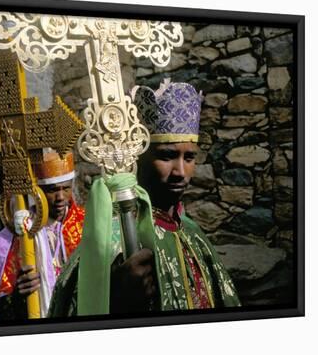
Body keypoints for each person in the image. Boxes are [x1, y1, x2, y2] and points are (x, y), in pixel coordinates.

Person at [49, 80, 240, 317]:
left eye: (189, 157)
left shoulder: (193, 234)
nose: (180, 170)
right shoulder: (110, 243)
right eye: (167, 156)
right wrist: (116, 301)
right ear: (139, 157)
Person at [0, 149, 85, 319]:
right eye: (52, 190)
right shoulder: (17, 233)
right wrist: (17, 295)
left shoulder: (86, 223)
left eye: (66, 189)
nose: (61, 197)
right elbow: (2, 305)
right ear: (37, 192)